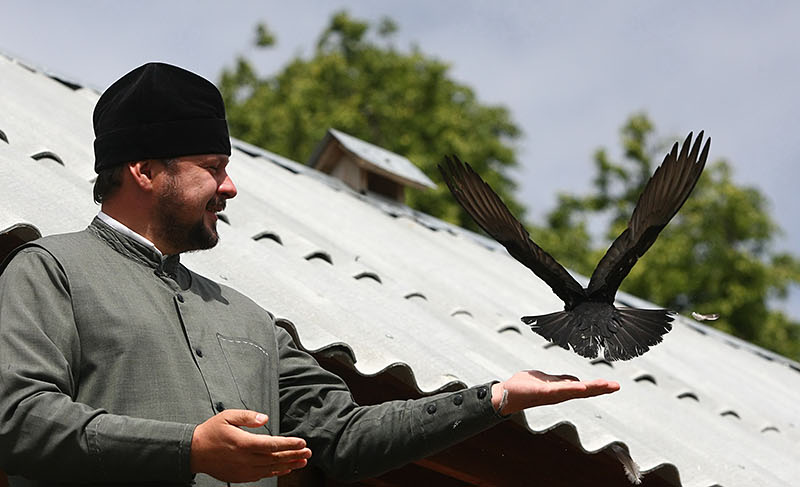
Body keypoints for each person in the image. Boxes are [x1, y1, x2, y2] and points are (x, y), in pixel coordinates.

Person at [0, 60, 616, 485]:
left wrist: (498, 397)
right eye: (212, 166)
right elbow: (18, 420)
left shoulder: (250, 320)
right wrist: (188, 449)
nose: (230, 186)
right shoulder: (49, 272)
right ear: (143, 171)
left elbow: (345, 438)